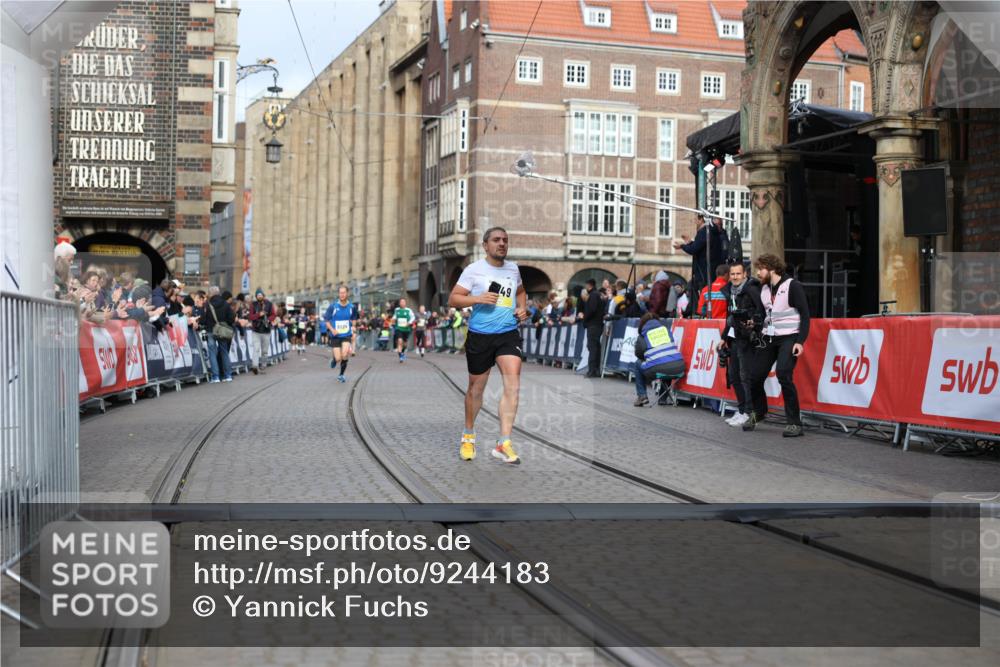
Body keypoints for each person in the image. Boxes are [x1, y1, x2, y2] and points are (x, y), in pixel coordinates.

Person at [448, 227, 529, 464]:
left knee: (513, 383)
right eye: (496, 240)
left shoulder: (513, 269)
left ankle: (504, 442)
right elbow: (453, 299)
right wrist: (477, 299)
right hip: (480, 335)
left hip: (507, 333)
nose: (502, 243)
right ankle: (468, 435)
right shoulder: (473, 270)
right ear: (485, 245)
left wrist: (522, 308)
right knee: (476, 389)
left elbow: (522, 292)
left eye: (505, 240)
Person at [743, 254, 811, 437]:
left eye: (760, 269)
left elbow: (805, 315)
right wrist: (754, 324)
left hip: (789, 337)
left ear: (771, 269)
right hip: (769, 338)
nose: (757, 273)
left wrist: (800, 342)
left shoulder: (792, 286)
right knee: (754, 376)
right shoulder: (764, 288)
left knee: (783, 374)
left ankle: (794, 423)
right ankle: (759, 412)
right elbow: (764, 315)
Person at [717, 262, 764, 427]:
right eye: (732, 274)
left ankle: (750, 412)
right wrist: (724, 337)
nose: (735, 277)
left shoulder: (751, 289)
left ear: (745, 274)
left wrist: (752, 321)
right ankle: (742, 409)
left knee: (746, 377)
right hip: (735, 337)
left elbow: (762, 311)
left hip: (748, 338)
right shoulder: (730, 291)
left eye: (738, 274)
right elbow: (731, 316)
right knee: (734, 376)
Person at [674, 214, 727, 314]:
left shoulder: (705, 232)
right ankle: (695, 311)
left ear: (701, 219)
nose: (694, 222)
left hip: (703, 271)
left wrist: (683, 246)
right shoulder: (713, 232)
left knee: (698, 290)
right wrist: (689, 243)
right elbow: (699, 247)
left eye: (695, 219)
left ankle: (698, 312)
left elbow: (694, 249)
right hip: (709, 269)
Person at [632, 312, 686, 406]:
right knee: (667, 363)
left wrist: (648, 356)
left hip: (658, 369)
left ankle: (642, 396)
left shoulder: (643, 335)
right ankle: (663, 399)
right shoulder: (666, 330)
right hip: (679, 367)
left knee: (638, 364)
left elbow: (638, 353)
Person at [201, 285, 235, 383]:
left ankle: (215, 376)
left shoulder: (208, 304)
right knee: (224, 352)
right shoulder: (225, 304)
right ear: (218, 293)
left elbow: (203, 319)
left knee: (212, 352)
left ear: (210, 294)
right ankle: (228, 375)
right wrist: (225, 323)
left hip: (211, 330)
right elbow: (231, 318)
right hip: (222, 331)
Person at [323, 286, 355, 382]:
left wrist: (353, 327)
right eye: (340, 293)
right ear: (338, 294)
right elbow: (327, 321)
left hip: (346, 335)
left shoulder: (352, 307)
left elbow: (354, 320)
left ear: (347, 293)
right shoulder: (333, 307)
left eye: (344, 293)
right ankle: (334, 360)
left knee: (345, 354)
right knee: (338, 358)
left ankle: (341, 375)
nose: (342, 295)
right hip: (336, 336)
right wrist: (332, 330)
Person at [580, 278, 607, 377]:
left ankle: (592, 370)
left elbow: (592, 309)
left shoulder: (593, 295)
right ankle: (595, 369)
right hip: (597, 324)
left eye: (586, 285)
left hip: (593, 324)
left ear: (589, 285)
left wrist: (585, 318)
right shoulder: (598, 294)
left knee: (592, 346)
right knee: (595, 347)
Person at [248, 288, 276, 374]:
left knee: (264, 351)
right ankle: (255, 366)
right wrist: (258, 314)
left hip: (266, 330)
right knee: (256, 349)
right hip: (256, 330)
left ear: (263, 295)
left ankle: (263, 365)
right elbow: (250, 317)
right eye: (258, 295)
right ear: (256, 296)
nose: (259, 296)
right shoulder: (253, 304)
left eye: (260, 295)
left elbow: (274, 314)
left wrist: (268, 319)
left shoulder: (269, 304)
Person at [392, 297, 416, 363]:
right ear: (399, 303)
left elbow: (413, 317)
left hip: (406, 329)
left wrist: (409, 322)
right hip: (398, 328)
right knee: (400, 341)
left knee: (405, 344)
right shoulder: (397, 310)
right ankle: (400, 357)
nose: (402, 303)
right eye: (401, 302)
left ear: (405, 303)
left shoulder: (409, 310)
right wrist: (393, 319)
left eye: (403, 302)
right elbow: (394, 316)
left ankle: (402, 352)